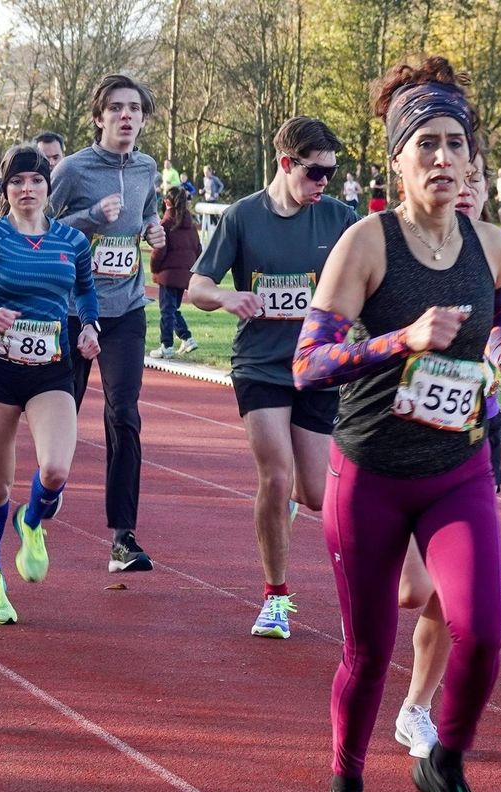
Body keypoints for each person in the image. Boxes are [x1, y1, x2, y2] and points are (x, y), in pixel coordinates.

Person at [290, 55, 501, 792]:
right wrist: (403, 339)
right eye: (425, 144)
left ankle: (444, 761)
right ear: (396, 159)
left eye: (455, 144)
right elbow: (308, 365)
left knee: (484, 631)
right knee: (369, 652)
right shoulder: (366, 245)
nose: (442, 158)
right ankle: (347, 781)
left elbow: (498, 332)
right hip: (368, 476)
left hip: (454, 470)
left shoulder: (491, 248)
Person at [391, 145, 501, 764]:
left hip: (473, 438)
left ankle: (416, 706)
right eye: (463, 178)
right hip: (396, 442)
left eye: (479, 180)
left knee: (453, 595)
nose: (468, 188)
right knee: (408, 592)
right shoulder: (400, 249)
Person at [189, 115, 357, 639]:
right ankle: (275, 597)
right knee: (276, 475)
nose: (323, 182)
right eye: (315, 173)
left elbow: (373, 278)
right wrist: (226, 296)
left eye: (331, 172)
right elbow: (196, 286)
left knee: (312, 493)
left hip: (317, 369)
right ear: (286, 164)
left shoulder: (341, 219)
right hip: (260, 367)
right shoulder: (242, 218)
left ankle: (282, 515)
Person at [0, 144, 100, 624]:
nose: (26, 189)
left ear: (48, 188)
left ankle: (31, 520)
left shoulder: (71, 241)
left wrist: (91, 328)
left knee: (55, 471)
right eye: (17, 182)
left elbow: (86, 291)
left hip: (52, 368)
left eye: (35, 181)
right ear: (5, 190)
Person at [49, 73, 165, 572]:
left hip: (127, 311)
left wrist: (154, 227)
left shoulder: (146, 167)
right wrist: (91, 216)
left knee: (125, 415)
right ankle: (47, 486)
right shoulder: (74, 170)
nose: (126, 116)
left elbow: (149, 212)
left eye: (134, 109)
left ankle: (124, 538)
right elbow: (39, 226)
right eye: (116, 108)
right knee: (63, 414)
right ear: (98, 117)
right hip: (74, 311)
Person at [148, 187, 200, 359]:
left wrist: (155, 268)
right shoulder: (191, 225)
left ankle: (166, 345)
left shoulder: (166, 224)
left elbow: (159, 251)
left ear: (167, 202)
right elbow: (198, 249)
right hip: (185, 274)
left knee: (166, 311)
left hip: (168, 274)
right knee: (172, 308)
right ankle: (187, 337)